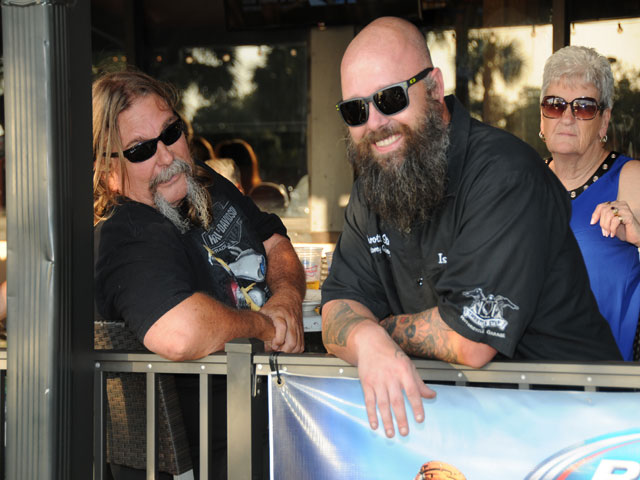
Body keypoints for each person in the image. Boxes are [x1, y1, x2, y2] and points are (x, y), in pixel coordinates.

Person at [321, 17, 622, 440]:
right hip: (467, 429)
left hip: (575, 426)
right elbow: (336, 307)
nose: (374, 123)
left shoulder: (506, 174)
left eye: (389, 99)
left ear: (434, 87)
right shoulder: (373, 184)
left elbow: (469, 339)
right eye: (356, 110)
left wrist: (376, 330)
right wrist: (367, 341)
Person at [92, 70, 306, 478]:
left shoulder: (199, 178)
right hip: (227, 451)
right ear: (108, 171)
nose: (167, 157)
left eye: (171, 132)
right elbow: (181, 332)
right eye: (140, 150)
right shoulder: (127, 233)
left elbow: (275, 240)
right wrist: (265, 326)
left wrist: (286, 299)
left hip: (276, 412)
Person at [538, 46, 640, 361]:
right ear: (541, 117)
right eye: (554, 105)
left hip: (609, 379)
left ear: (604, 121)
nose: (567, 117)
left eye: (583, 107)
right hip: (528, 377)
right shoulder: (524, 182)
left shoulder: (630, 178)